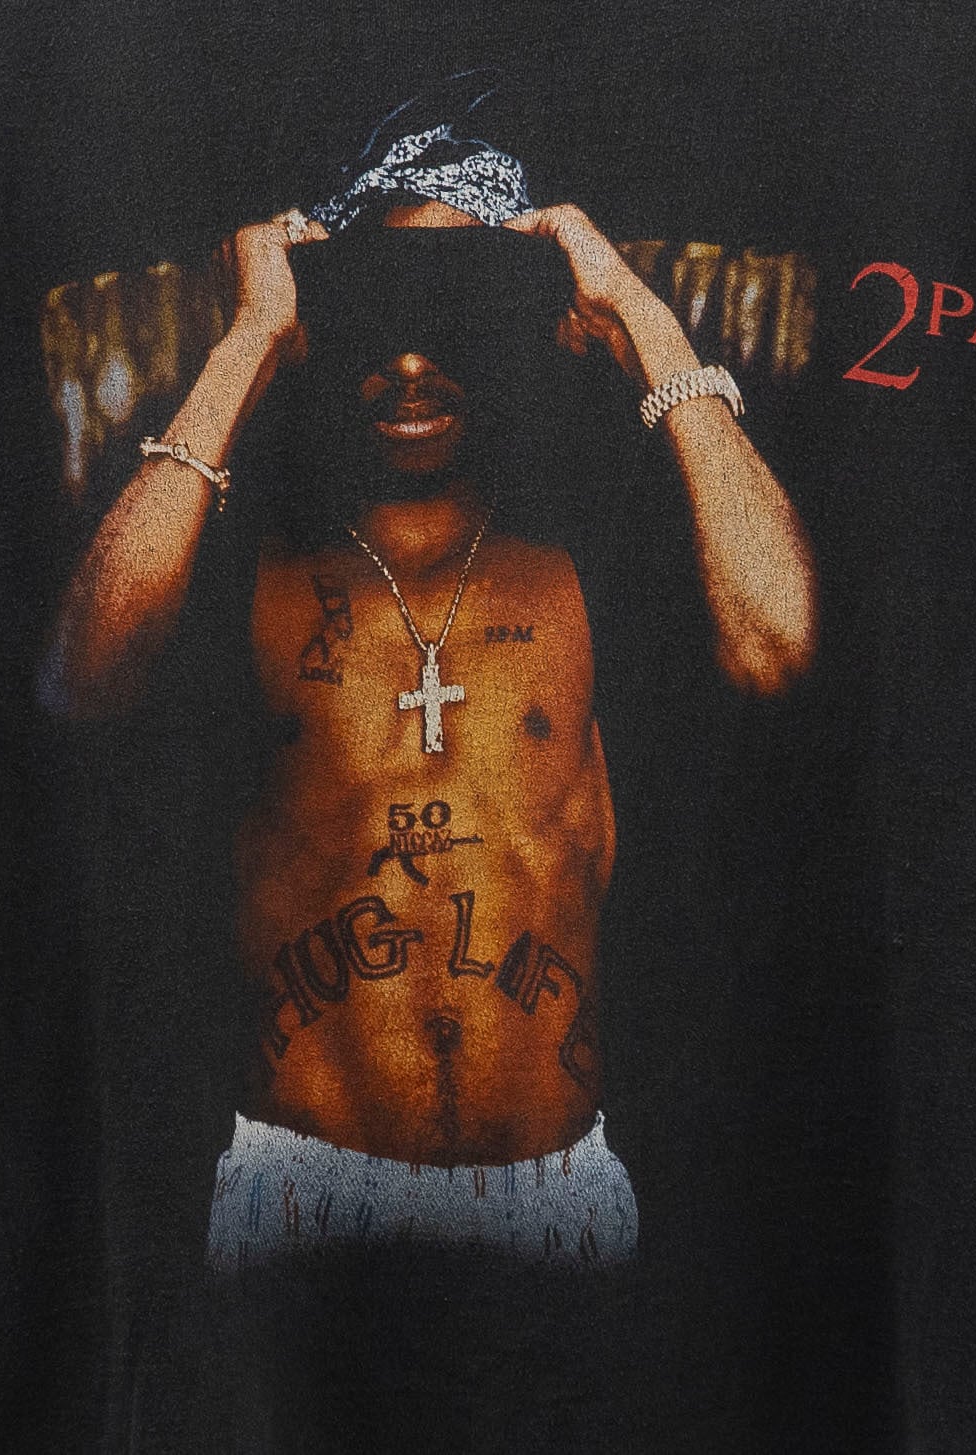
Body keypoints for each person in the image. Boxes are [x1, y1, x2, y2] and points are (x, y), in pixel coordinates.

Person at [43, 92, 818, 1271]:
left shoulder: (592, 560)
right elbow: (87, 677)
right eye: (378, 317)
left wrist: (638, 316)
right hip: (300, 1186)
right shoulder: (249, 566)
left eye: (453, 316)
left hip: (554, 1190)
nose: (409, 362)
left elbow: (777, 639)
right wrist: (250, 341)